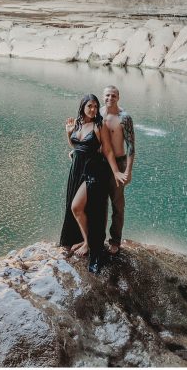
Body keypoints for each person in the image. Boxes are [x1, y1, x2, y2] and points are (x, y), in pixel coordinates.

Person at [58, 94, 127, 273]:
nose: (93, 109)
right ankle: (82, 238)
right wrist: (68, 133)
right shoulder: (78, 124)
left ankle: (89, 244)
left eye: (96, 106)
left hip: (94, 171)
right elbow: (76, 146)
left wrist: (117, 171)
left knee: (77, 207)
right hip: (77, 170)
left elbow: (109, 152)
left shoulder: (99, 125)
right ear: (82, 107)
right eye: (90, 106)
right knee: (76, 208)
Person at [101, 85, 136, 255]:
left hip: (119, 163)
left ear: (118, 97)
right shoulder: (97, 113)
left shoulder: (124, 117)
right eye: (107, 95)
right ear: (103, 96)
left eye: (113, 96)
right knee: (99, 204)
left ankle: (115, 240)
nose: (110, 98)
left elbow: (131, 146)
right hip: (100, 163)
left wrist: (128, 171)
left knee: (118, 204)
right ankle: (98, 238)